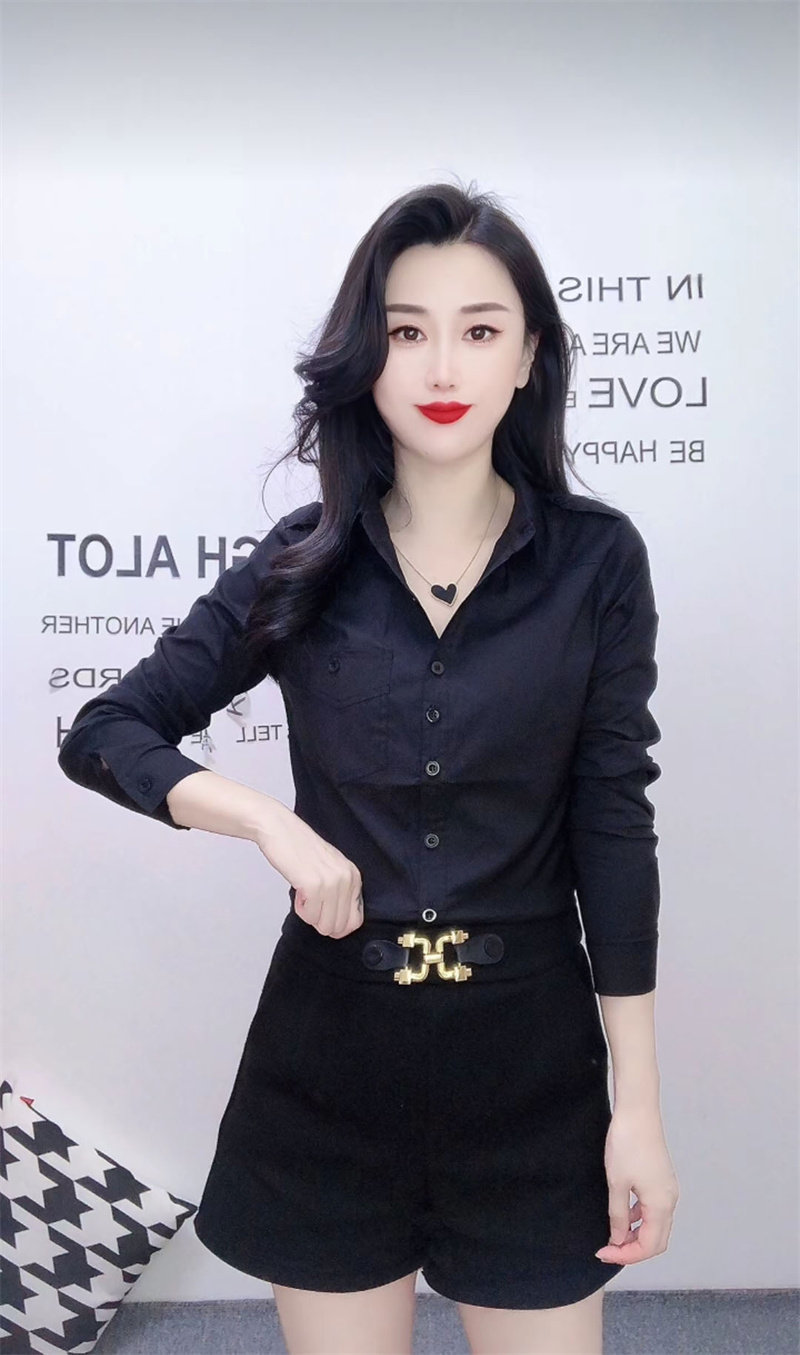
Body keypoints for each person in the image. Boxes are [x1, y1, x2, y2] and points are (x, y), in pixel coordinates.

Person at [58, 179, 680, 1355]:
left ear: (527, 356)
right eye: (405, 330)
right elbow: (107, 728)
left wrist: (636, 1108)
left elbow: (613, 828)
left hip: (529, 1065)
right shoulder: (301, 561)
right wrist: (266, 821)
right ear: (366, 354)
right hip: (328, 1061)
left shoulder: (595, 561)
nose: (441, 364)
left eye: (478, 329)